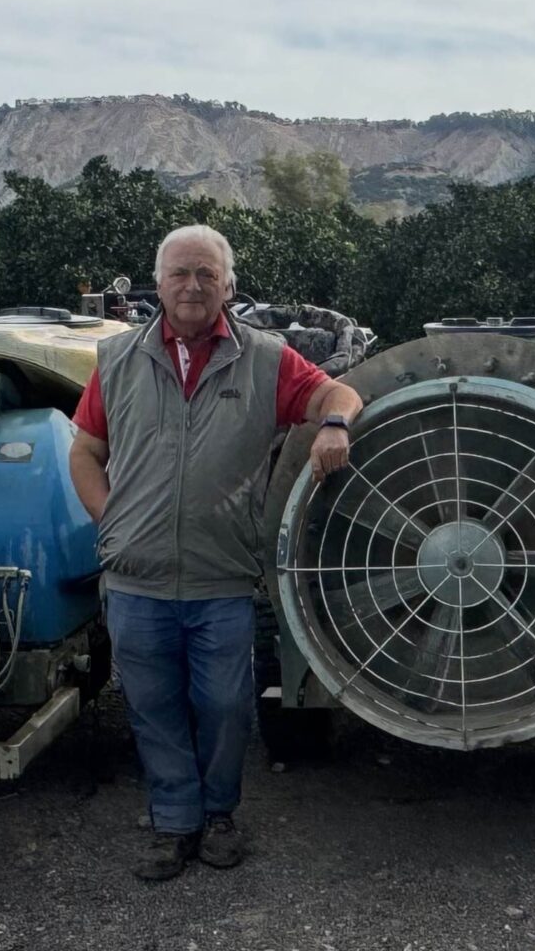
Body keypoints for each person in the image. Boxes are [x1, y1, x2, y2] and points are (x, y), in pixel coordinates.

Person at [69, 225, 363, 881]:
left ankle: (220, 813)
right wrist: (108, 518)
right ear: (159, 283)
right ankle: (174, 823)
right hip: (136, 575)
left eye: (206, 274)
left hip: (221, 576)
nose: (192, 286)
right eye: (179, 274)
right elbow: (86, 451)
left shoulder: (265, 359)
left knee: (225, 706)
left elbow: (335, 395)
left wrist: (335, 426)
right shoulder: (116, 360)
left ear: (227, 286)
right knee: (152, 704)